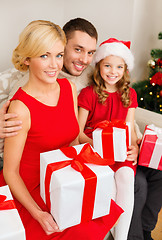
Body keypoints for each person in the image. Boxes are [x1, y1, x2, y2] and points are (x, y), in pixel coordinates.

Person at [0, 20, 123, 240]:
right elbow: (10, 172)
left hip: (60, 179)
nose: (54, 65)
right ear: (27, 58)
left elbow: (73, 139)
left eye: (58, 55)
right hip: (29, 190)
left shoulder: (69, 88)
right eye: (44, 56)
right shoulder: (20, 107)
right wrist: (38, 214)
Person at [0, 18, 97, 164]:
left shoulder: (89, 75)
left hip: (68, 161)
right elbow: (9, 149)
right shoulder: (25, 88)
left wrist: (134, 140)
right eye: (78, 49)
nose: (84, 59)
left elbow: (121, 96)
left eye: (90, 53)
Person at [78, 38, 139, 240]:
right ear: (99, 66)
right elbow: (78, 133)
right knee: (108, 186)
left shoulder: (129, 94)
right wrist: (97, 143)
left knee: (126, 178)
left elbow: (129, 128)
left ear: (125, 69)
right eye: (108, 65)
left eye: (119, 66)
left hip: (120, 152)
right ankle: (104, 233)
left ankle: (121, 238)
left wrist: (134, 148)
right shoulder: (88, 94)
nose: (113, 71)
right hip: (95, 151)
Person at [127, 165, 162, 240]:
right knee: (139, 183)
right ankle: (134, 237)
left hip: (139, 160)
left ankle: (145, 230)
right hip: (119, 162)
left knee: (160, 173)